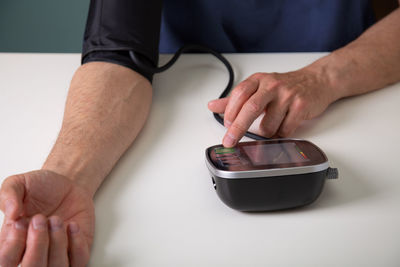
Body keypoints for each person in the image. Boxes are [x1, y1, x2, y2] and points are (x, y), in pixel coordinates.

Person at [1, 0, 400, 266]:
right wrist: (70, 177)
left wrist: (323, 77)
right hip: (177, 84)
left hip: (355, 75)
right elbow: (116, 51)